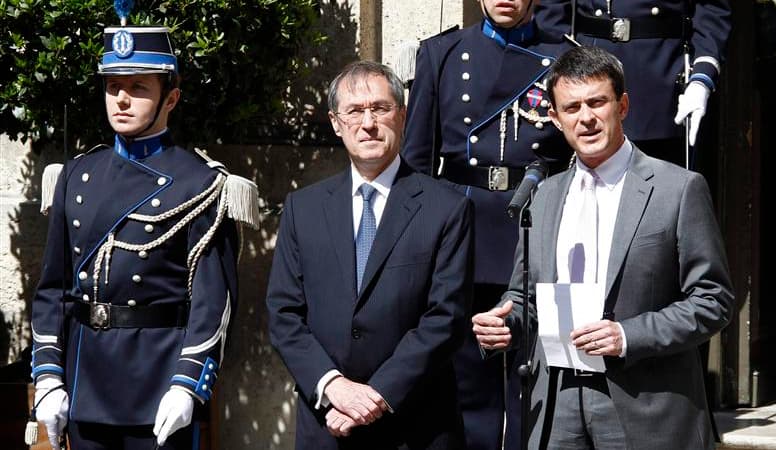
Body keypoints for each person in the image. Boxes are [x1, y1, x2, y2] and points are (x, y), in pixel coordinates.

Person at [472, 46, 734, 449]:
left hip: (646, 406)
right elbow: (524, 296)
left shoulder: (677, 189)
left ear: (623, 105)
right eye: (572, 107)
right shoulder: (542, 197)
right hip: (557, 405)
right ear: (556, 119)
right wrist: (504, 323)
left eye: (597, 102)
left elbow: (713, 300)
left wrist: (628, 336)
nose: (587, 118)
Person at [30, 24, 258, 449]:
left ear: (170, 98)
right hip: (85, 381)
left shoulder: (200, 183)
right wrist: (47, 375)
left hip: (157, 387)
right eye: (113, 86)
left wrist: (188, 384)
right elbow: (53, 289)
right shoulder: (76, 175)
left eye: (138, 87)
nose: (121, 98)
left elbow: (212, 301)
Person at [266, 61, 474, 449]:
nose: (368, 123)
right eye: (354, 111)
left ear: (403, 114)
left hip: (416, 425)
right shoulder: (303, 208)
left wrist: (374, 396)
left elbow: (445, 319)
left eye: (380, 108)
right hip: (327, 423)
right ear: (335, 122)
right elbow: (283, 314)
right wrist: (335, 388)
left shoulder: (447, 208)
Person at [402, 1, 573, 448]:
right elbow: (418, 159)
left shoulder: (564, 57)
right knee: (466, 381)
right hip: (464, 230)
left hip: (537, 226)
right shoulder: (442, 53)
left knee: (533, 377)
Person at [534, 0, 731, 167]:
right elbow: (552, 12)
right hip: (587, 72)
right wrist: (561, 65)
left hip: (659, 77)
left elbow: (712, 11)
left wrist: (702, 76)